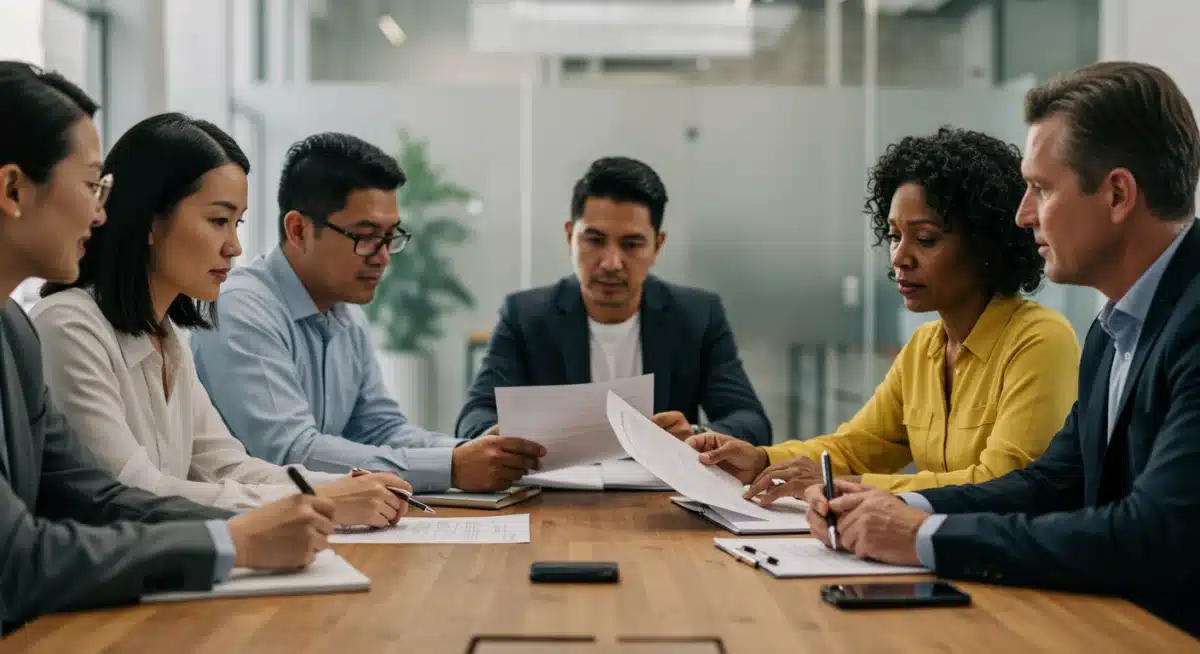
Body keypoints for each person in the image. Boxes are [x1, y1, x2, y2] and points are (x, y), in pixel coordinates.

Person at [801, 62, 1200, 636]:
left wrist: (922, 538)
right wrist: (902, 512)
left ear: (1117, 194)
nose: (1023, 215)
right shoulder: (1114, 329)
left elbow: (1154, 533)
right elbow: (1049, 485)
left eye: (1040, 189)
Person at [0, 61, 332, 631]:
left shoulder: (13, 331)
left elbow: (101, 497)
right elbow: (19, 558)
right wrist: (230, 539)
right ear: (12, 189)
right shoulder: (57, 325)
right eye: (89, 186)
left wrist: (267, 520)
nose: (101, 212)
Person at [31, 113, 410, 527]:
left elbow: (226, 466)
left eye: (237, 222)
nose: (233, 246)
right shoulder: (70, 327)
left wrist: (348, 487)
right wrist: (323, 497)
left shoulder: (167, 337)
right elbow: (132, 493)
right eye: (217, 220)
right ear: (150, 221)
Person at [689, 128, 1080, 498]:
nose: (899, 258)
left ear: (987, 245)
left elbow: (1001, 484)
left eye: (925, 239)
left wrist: (844, 486)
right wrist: (760, 459)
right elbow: (855, 447)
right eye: (894, 235)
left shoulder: (1040, 340)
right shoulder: (924, 347)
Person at [190, 133, 546, 493]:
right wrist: (451, 468)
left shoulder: (343, 310)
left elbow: (381, 427)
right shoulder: (240, 311)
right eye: (365, 235)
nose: (383, 256)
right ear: (298, 230)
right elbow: (291, 452)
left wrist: (473, 452)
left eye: (390, 236)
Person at [456, 156, 771, 446]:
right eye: (595, 240)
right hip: (555, 497)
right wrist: (497, 439)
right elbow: (475, 417)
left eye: (631, 244)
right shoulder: (525, 316)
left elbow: (751, 422)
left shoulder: (697, 316)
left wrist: (696, 436)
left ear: (657, 246)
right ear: (570, 237)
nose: (611, 263)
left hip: (661, 498)